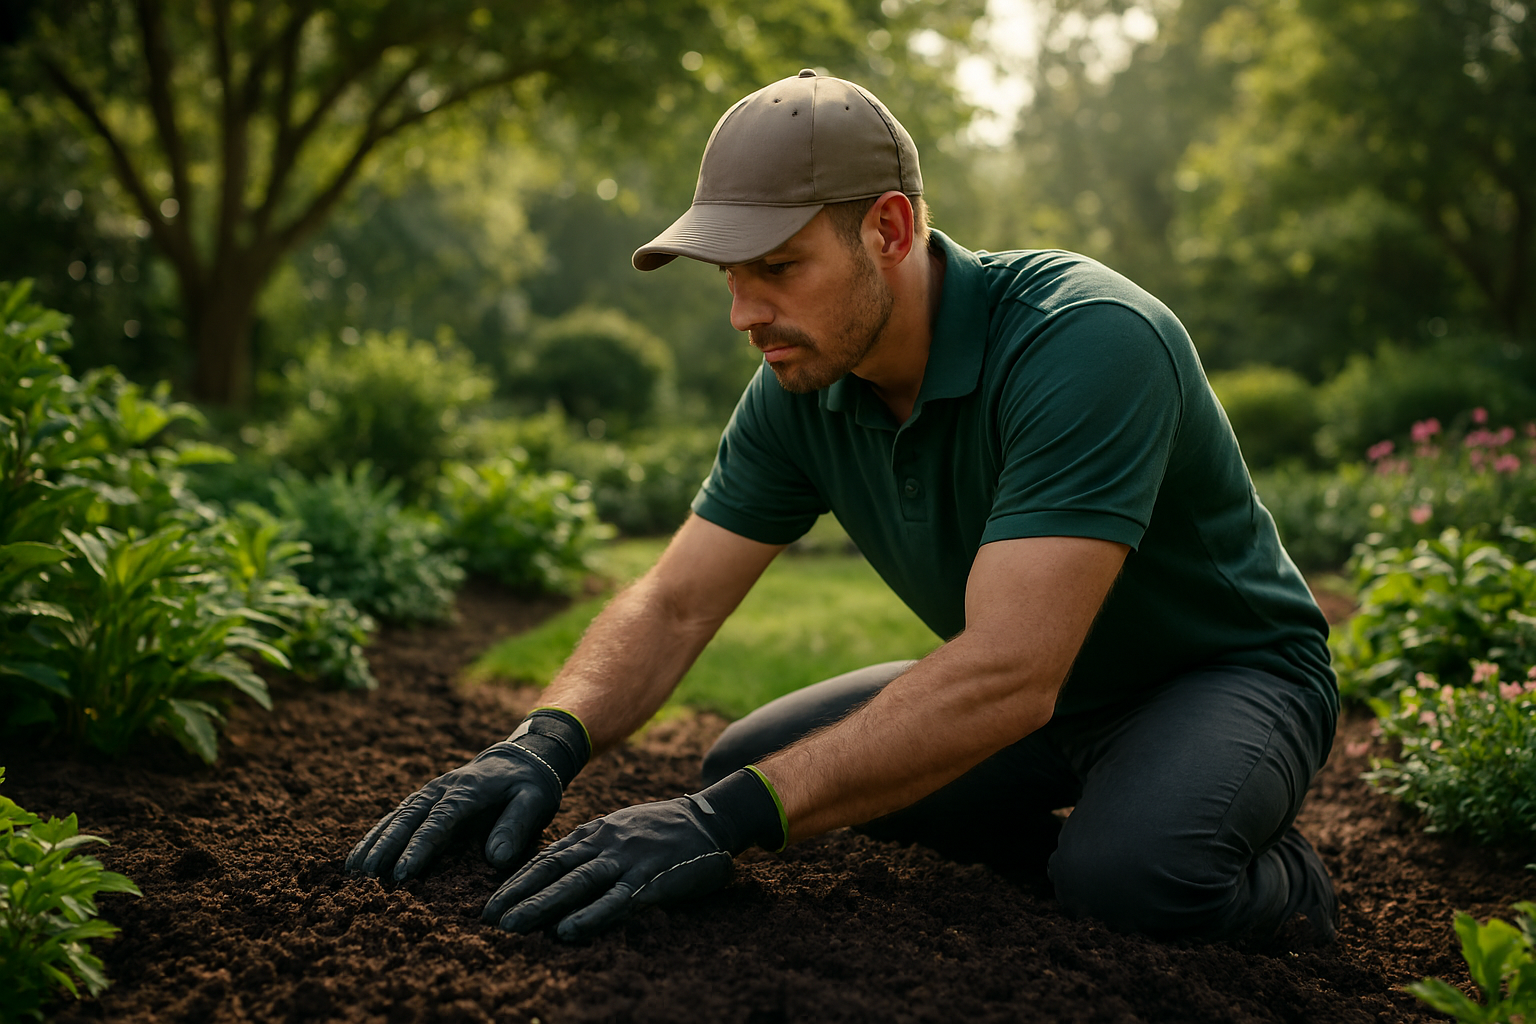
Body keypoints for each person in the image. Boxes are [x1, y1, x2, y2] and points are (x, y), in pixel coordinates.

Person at [346, 69, 1339, 948]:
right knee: (753, 761)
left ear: (891, 229)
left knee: (1126, 881)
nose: (744, 313)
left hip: (1221, 678)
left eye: (776, 268)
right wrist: (543, 742)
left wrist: (716, 823)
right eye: (729, 276)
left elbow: (1009, 671)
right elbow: (676, 601)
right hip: (1037, 688)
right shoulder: (799, 386)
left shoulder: (1085, 341)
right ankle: (1124, 821)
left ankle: (1273, 878)